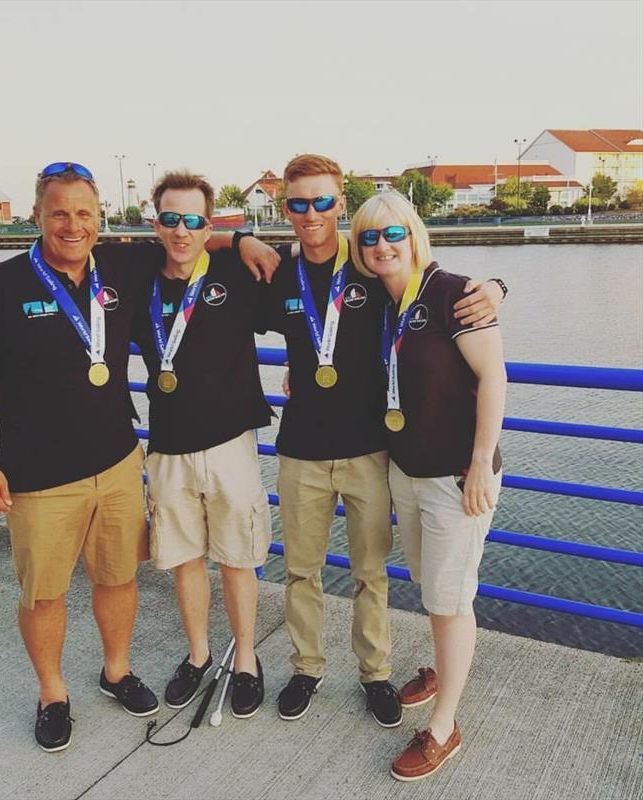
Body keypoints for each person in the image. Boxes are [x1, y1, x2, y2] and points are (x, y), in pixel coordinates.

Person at [0, 162, 278, 752]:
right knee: (44, 592)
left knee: (119, 577)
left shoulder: (122, 265)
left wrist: (247, 235)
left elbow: (197, 237)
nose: (72, 225)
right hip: (36, 472)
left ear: (101, 218)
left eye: (84, 213)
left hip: (120, 461)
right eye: (59, 212)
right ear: (38, 214)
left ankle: (117, 671)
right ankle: (53, 694)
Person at [266, 154, 505, 726]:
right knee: (302, 571)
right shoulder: (277, 274)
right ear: (286, 209)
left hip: (372, 452)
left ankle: (375, 674)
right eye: (298, 203)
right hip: (301, 449)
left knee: (372, 573)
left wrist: (496, 286)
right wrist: (243, 241)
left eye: (323, 201)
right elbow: (201, 259)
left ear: (340, 204)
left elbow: (442, 292)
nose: (311, 213)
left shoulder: (371, 270)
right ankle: (307, 667)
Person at [350, 191, 506, 781]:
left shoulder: (452, 292)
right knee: (429, 583)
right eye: (368, 237)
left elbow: (494, 376)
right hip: (406, 472)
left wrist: (480, 460)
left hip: (455, 478)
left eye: (392, 233)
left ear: (415, 234)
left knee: (449, 597)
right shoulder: (381, 302)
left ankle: (445, 725)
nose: (382, 245)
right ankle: (445, 667)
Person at [132, 171, 273, 718]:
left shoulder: (238, 274)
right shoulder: (135, 276)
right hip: (166, 447)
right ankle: (198, 655)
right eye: (171, 219)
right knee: (184, 558)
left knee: (237, 559)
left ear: (208, 225)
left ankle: (245, 661)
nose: (182, 231)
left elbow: (326, 254)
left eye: (194, 221)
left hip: (230, 444)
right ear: (155, 223)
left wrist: (242, 239)